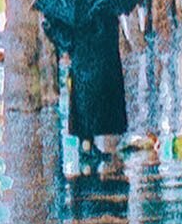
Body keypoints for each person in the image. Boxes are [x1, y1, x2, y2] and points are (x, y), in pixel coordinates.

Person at [54, 9, 127, 163]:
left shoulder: (73, 9)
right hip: (103, 64)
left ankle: (87, 146)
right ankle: (89, 147)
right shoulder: (108, 3)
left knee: (85, 108)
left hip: (84, 65)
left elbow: (66, 38)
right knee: (96, 106)